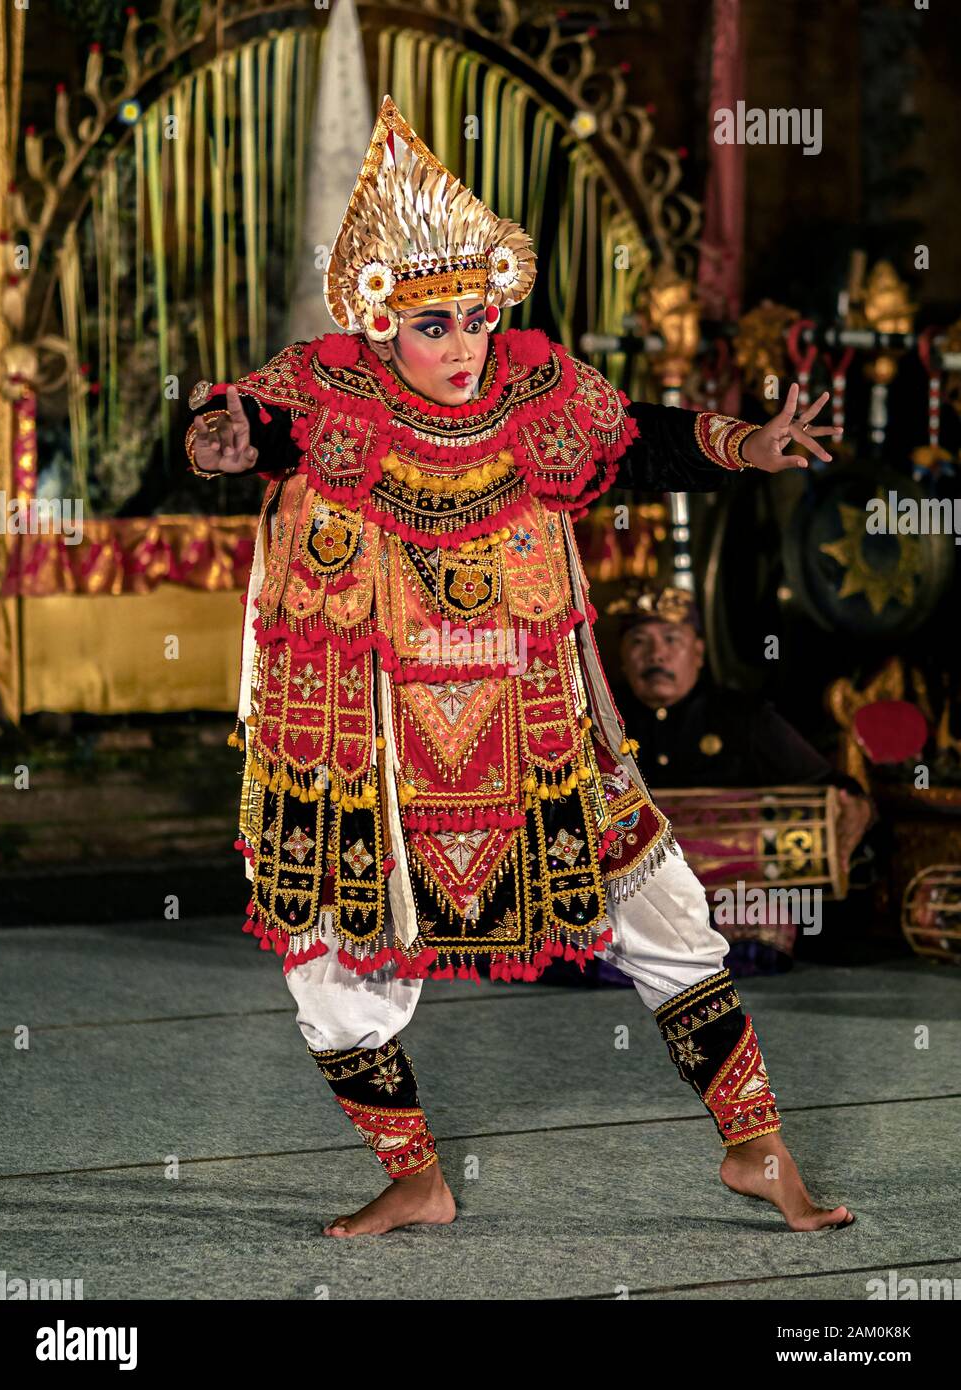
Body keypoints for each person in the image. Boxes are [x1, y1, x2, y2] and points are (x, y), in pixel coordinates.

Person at [184, 97, 853, 1237]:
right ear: (382, 322)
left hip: (535, 728)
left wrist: (749, 442)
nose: (460, 347)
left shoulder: (538, 395)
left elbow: (635, 435)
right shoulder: (328, 397)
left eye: (474, 319)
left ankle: (758, 1146)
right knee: (334, 963)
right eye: (432, 323)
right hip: (379, 743)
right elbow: (243, 423)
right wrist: (215, 437)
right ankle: (418, 1175)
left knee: (664, 911)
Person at [606, 584, 874, 970]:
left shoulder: (745, 718)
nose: (656, 654)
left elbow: (832, 788)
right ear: (622, 657)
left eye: (671, 639)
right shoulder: (602, 727)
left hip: (729, 896)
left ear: (698, 653)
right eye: (639, 642)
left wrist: (852, 808)